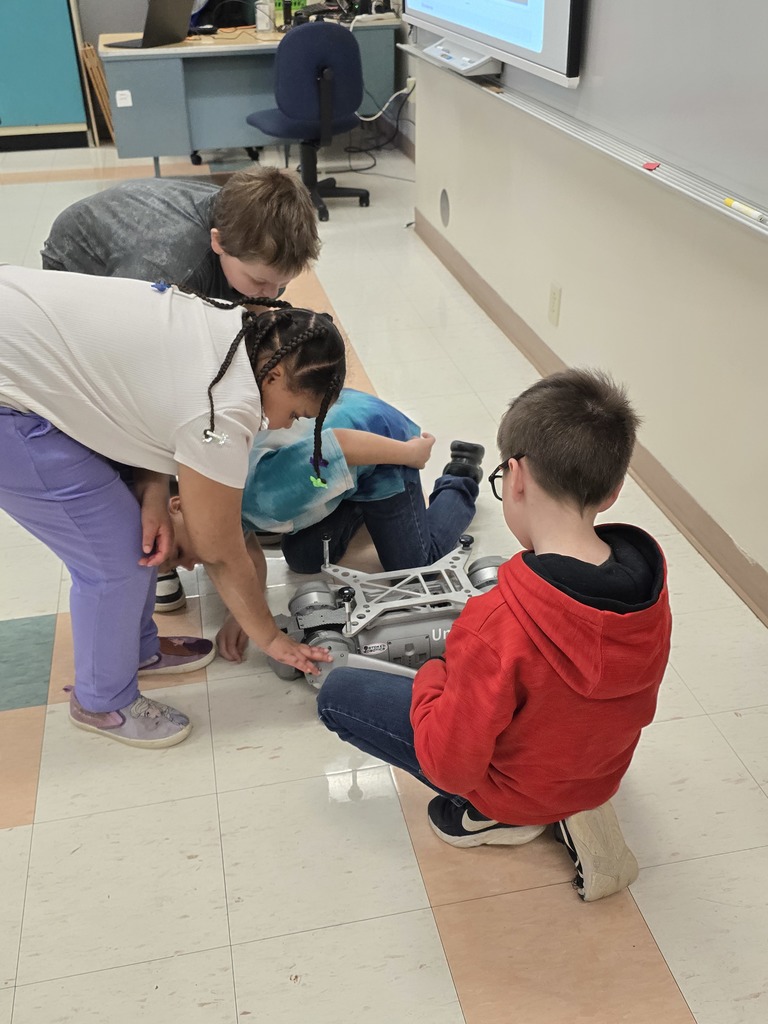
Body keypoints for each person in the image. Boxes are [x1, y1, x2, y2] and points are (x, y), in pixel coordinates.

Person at [316, 368, 672, 902]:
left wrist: (437, 674)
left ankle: (496, 817)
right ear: (614, 490)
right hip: (598, 772)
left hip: (518, 790)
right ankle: (573, 804)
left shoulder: (495, 621)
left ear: (519, 477)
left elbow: (450, 764)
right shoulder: (649, 586)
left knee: (338, 695)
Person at [0, 266, 345, 749]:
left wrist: (156, 494)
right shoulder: (226, 406)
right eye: (296, 412)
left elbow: (145, 408)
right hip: (8, 395)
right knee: (115, 558)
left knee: (134, 529)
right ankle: (102, 701)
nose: (283, 424)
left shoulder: (231, 327)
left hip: (17, 334)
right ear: (274, 374)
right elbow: (219, 548)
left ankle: (131, 649)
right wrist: (273, 639)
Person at [41, 165, 320, 611]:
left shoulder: (242, 229)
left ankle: (217, 509)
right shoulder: (167, 272)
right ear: (217, 242)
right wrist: (153, 484)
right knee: (157, 402)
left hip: (142, 240)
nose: (269, 295)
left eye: (280, 283)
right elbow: (140, 392)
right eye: (259, 282)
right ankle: (163, 552)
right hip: (83, 266)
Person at [163, 388, 484, 660]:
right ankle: (356, 500)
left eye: (179, 553)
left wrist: (411, 453)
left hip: (384, 447)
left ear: (177, 506)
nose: (190, 566)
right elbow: (248, 562)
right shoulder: (218, 497)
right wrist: (241, 616)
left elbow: (338, 446)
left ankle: (460, 478)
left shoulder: (264, 496)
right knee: (303, 557)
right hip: (331, 458)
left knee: (415, 566)